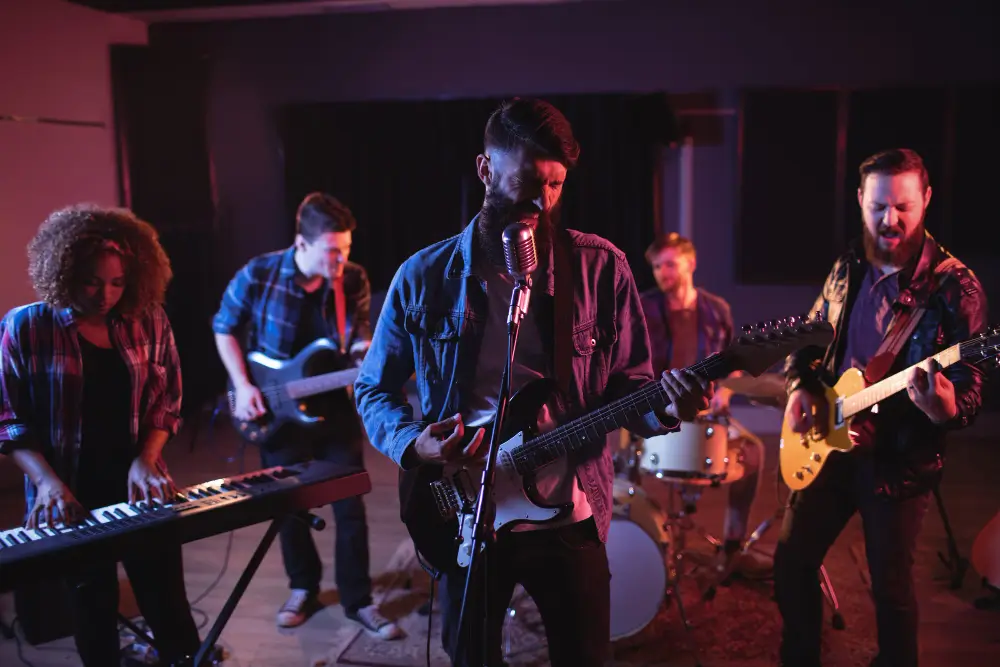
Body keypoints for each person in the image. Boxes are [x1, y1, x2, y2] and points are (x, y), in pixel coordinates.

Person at [354, 97, 712, 667]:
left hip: (568, 514)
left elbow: (632, 386)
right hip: (468, 512)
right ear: (485, 169)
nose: (540, 202)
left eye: (554, 185)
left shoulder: (601, 268)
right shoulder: (424, 277)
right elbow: (373, 390)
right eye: (526, 182)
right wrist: (414, 443)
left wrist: (666, 408)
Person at [775, 148, 988, 667]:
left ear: (927, 200)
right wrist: (801, 386)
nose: (889, 220)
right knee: (790, 564)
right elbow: (809, 338)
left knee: (890, 592)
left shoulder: (955, 287)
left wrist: (944, 408)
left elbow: (970, 389)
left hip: (896, 461)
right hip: (831, 442)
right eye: (878, 207)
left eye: (903, 207)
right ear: (859, 201)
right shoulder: (848, 266)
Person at [0, 205, 208, 666]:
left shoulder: (148, 318)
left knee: (169, 606)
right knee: (92, 613)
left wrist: (147, 456)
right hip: (66, 491)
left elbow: (166, 399)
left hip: (140, 485)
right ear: (65, 272)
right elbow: (8, 419)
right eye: (93, 281)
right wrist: (48, 483)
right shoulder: (26, 326)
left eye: (117, 282)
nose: (106, 295)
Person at [212, 192, 401, 638]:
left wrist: (365, 359)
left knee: (350, 506)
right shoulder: (258, 274)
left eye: (346, 251)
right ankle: (302, 588)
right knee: (288, 508)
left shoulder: (351, 280)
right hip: (274, 407)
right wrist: (242, 384)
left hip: (332, 405)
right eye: (331, 251)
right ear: (302, 243)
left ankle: (358, 600)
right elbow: (223, 328)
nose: (340, 260)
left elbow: (356, 340)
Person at [639, 232, 771, 579]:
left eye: (669, 264)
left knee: (754, 455)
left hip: (708, 413)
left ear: (691, 264)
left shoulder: (717, 310)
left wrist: (726, 391)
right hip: (656, 413)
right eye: (656, 266)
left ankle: (732, 546)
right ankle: (636, 546)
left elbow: (734, 364)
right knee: (618, 464)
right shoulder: (642, 307)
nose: (662, 273)